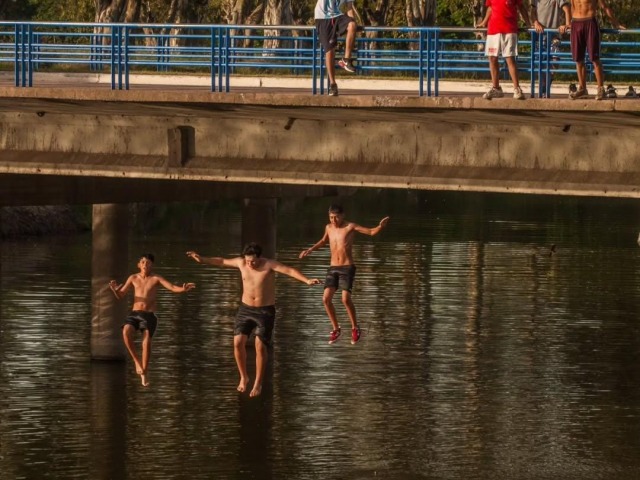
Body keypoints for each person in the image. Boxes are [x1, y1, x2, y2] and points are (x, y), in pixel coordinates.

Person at [186, 243, 320, 397]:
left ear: (260, 257)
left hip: (265, 311)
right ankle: (244, 377)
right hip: (245, 309)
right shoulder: (241, 263)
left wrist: (307, 280)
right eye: (248, 261)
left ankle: (258, 383)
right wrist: (202, 259)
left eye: (253, 261)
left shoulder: (269, 264)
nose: (250, 264)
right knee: (237, 343)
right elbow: (221, 261)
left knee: (260, 346)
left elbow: (289, 270)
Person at [299, 205, 389, 345]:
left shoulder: (350, 227)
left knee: (345, 299)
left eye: (336, 217)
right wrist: (310, 250)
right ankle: (336, 329)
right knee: (325, 299)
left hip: (347, 267)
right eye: (331, 217)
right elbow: (323, 241)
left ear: (343, 215)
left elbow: (371, 232)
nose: (334, 220)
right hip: (333, 267)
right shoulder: (328, 228)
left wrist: (380, 227)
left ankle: (355, 328)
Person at [109, 253, 196, 387]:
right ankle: (137, 362)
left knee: (146, 342)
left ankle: (144, 371)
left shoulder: (156, 278)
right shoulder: (133, 278)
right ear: (139, 265)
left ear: (152, 265)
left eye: (148, 263)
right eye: (143, 262)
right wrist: (115, 290)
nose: (145, 265)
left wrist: (183, 289)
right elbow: (120, 295)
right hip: (134, 314)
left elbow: (172, 287)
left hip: (149, 315)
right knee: (125, 332)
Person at [568, 0, 625, 100]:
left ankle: (600, 89)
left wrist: (615, 23)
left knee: (595, 58)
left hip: (590, 22)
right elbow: (572, 6)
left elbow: (605, 7)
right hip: (576, 23)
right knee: (578, 59)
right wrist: (568, 23)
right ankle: (582, 88)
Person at [476, 0, 532, 100]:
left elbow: (522, 7)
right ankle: (496, 88)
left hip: (509, 29)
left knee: (510, 58)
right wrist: (484, 22)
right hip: (493, 29)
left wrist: (528, 24)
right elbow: (490, 8)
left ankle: (517, 89)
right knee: (492, 58)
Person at [314, 0, 358, 97]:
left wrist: (352, 27)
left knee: (352, 25)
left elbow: (349, 8)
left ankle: (346, 60)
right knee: (330, 51)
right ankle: (333, 85)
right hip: (322, 17)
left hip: (337, 15)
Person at [531, 0, 572, 97]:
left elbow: (567, 9)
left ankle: (546, 84)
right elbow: (532, 11)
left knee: (554, 61)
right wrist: (535, 22)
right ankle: (543, 88)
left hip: (554, 36)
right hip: (540, 36)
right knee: (540, 64)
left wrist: (567, 24)